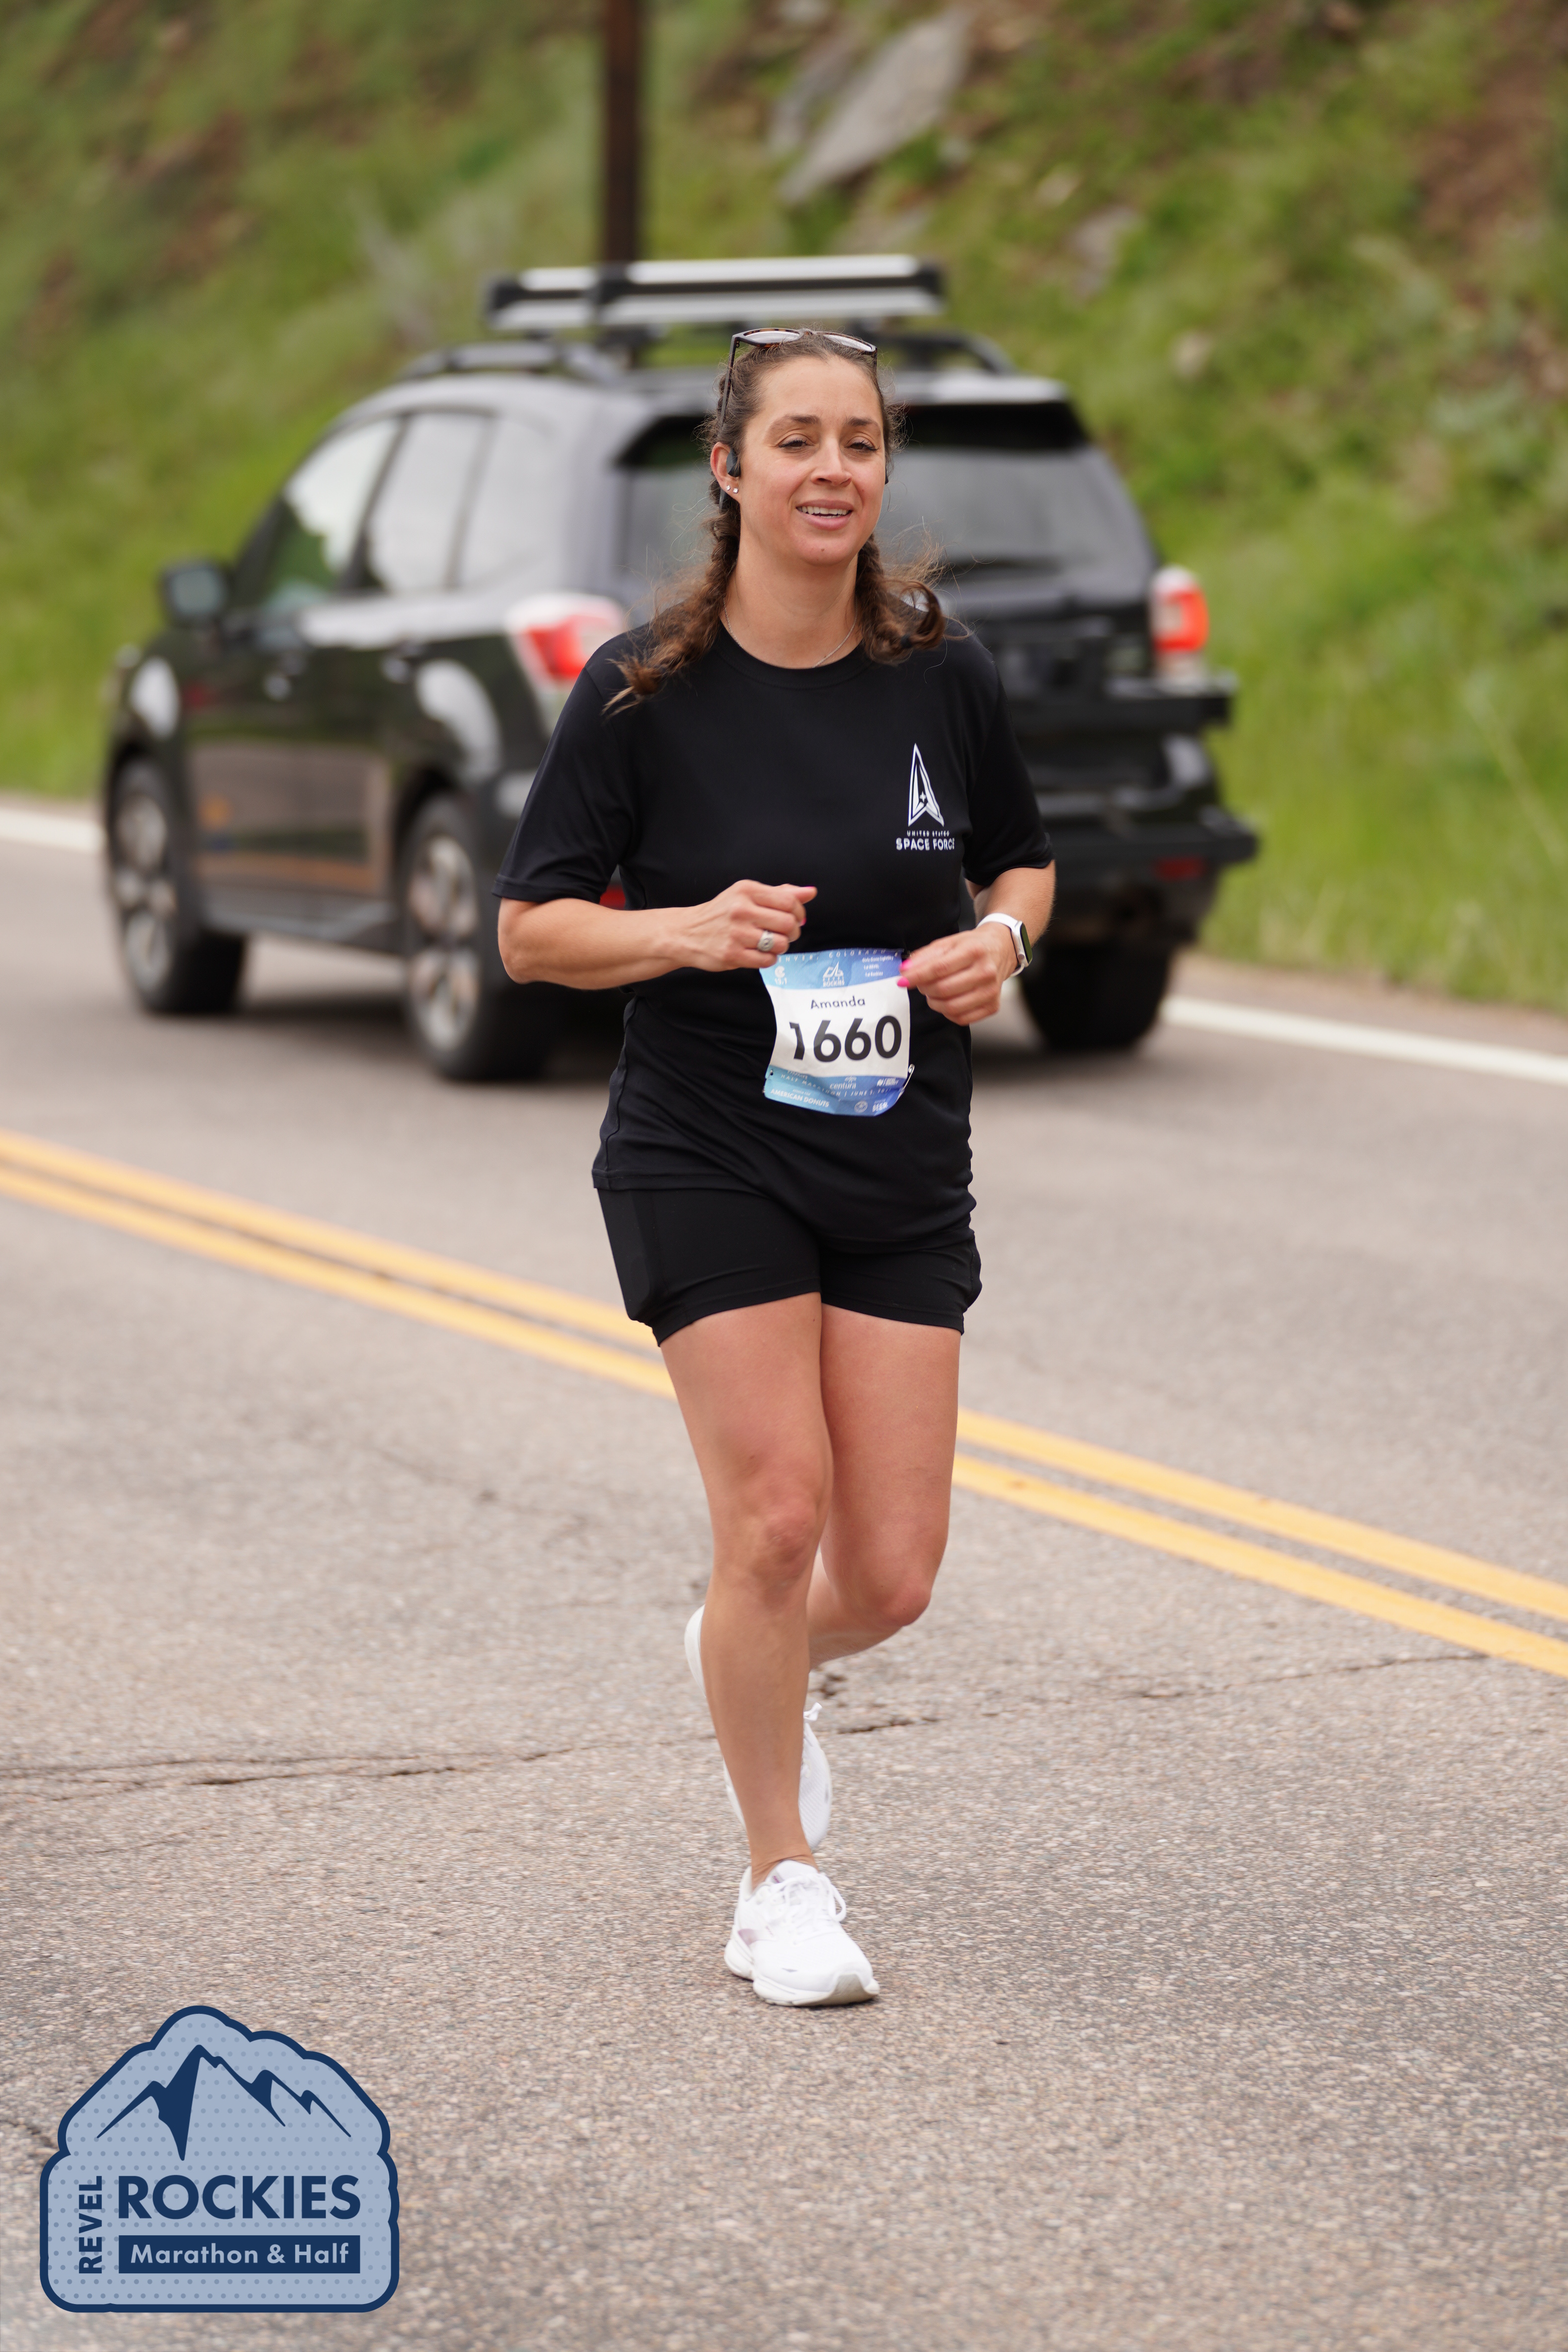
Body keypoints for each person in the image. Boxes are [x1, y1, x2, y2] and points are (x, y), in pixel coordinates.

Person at [495, 326, 1055, 2007]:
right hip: (706, 1147)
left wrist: (1002, 949)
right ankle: (778, 1884)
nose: (832, 470)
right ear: (730, 469)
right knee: (775, 1516)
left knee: (885, 1575)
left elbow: (1021, 862)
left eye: (860, 442)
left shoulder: (941, 675)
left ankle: (741, 1652)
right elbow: (531, 932)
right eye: (797, 439)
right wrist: (681, 930)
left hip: (898, 1156)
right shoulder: (640, 693)